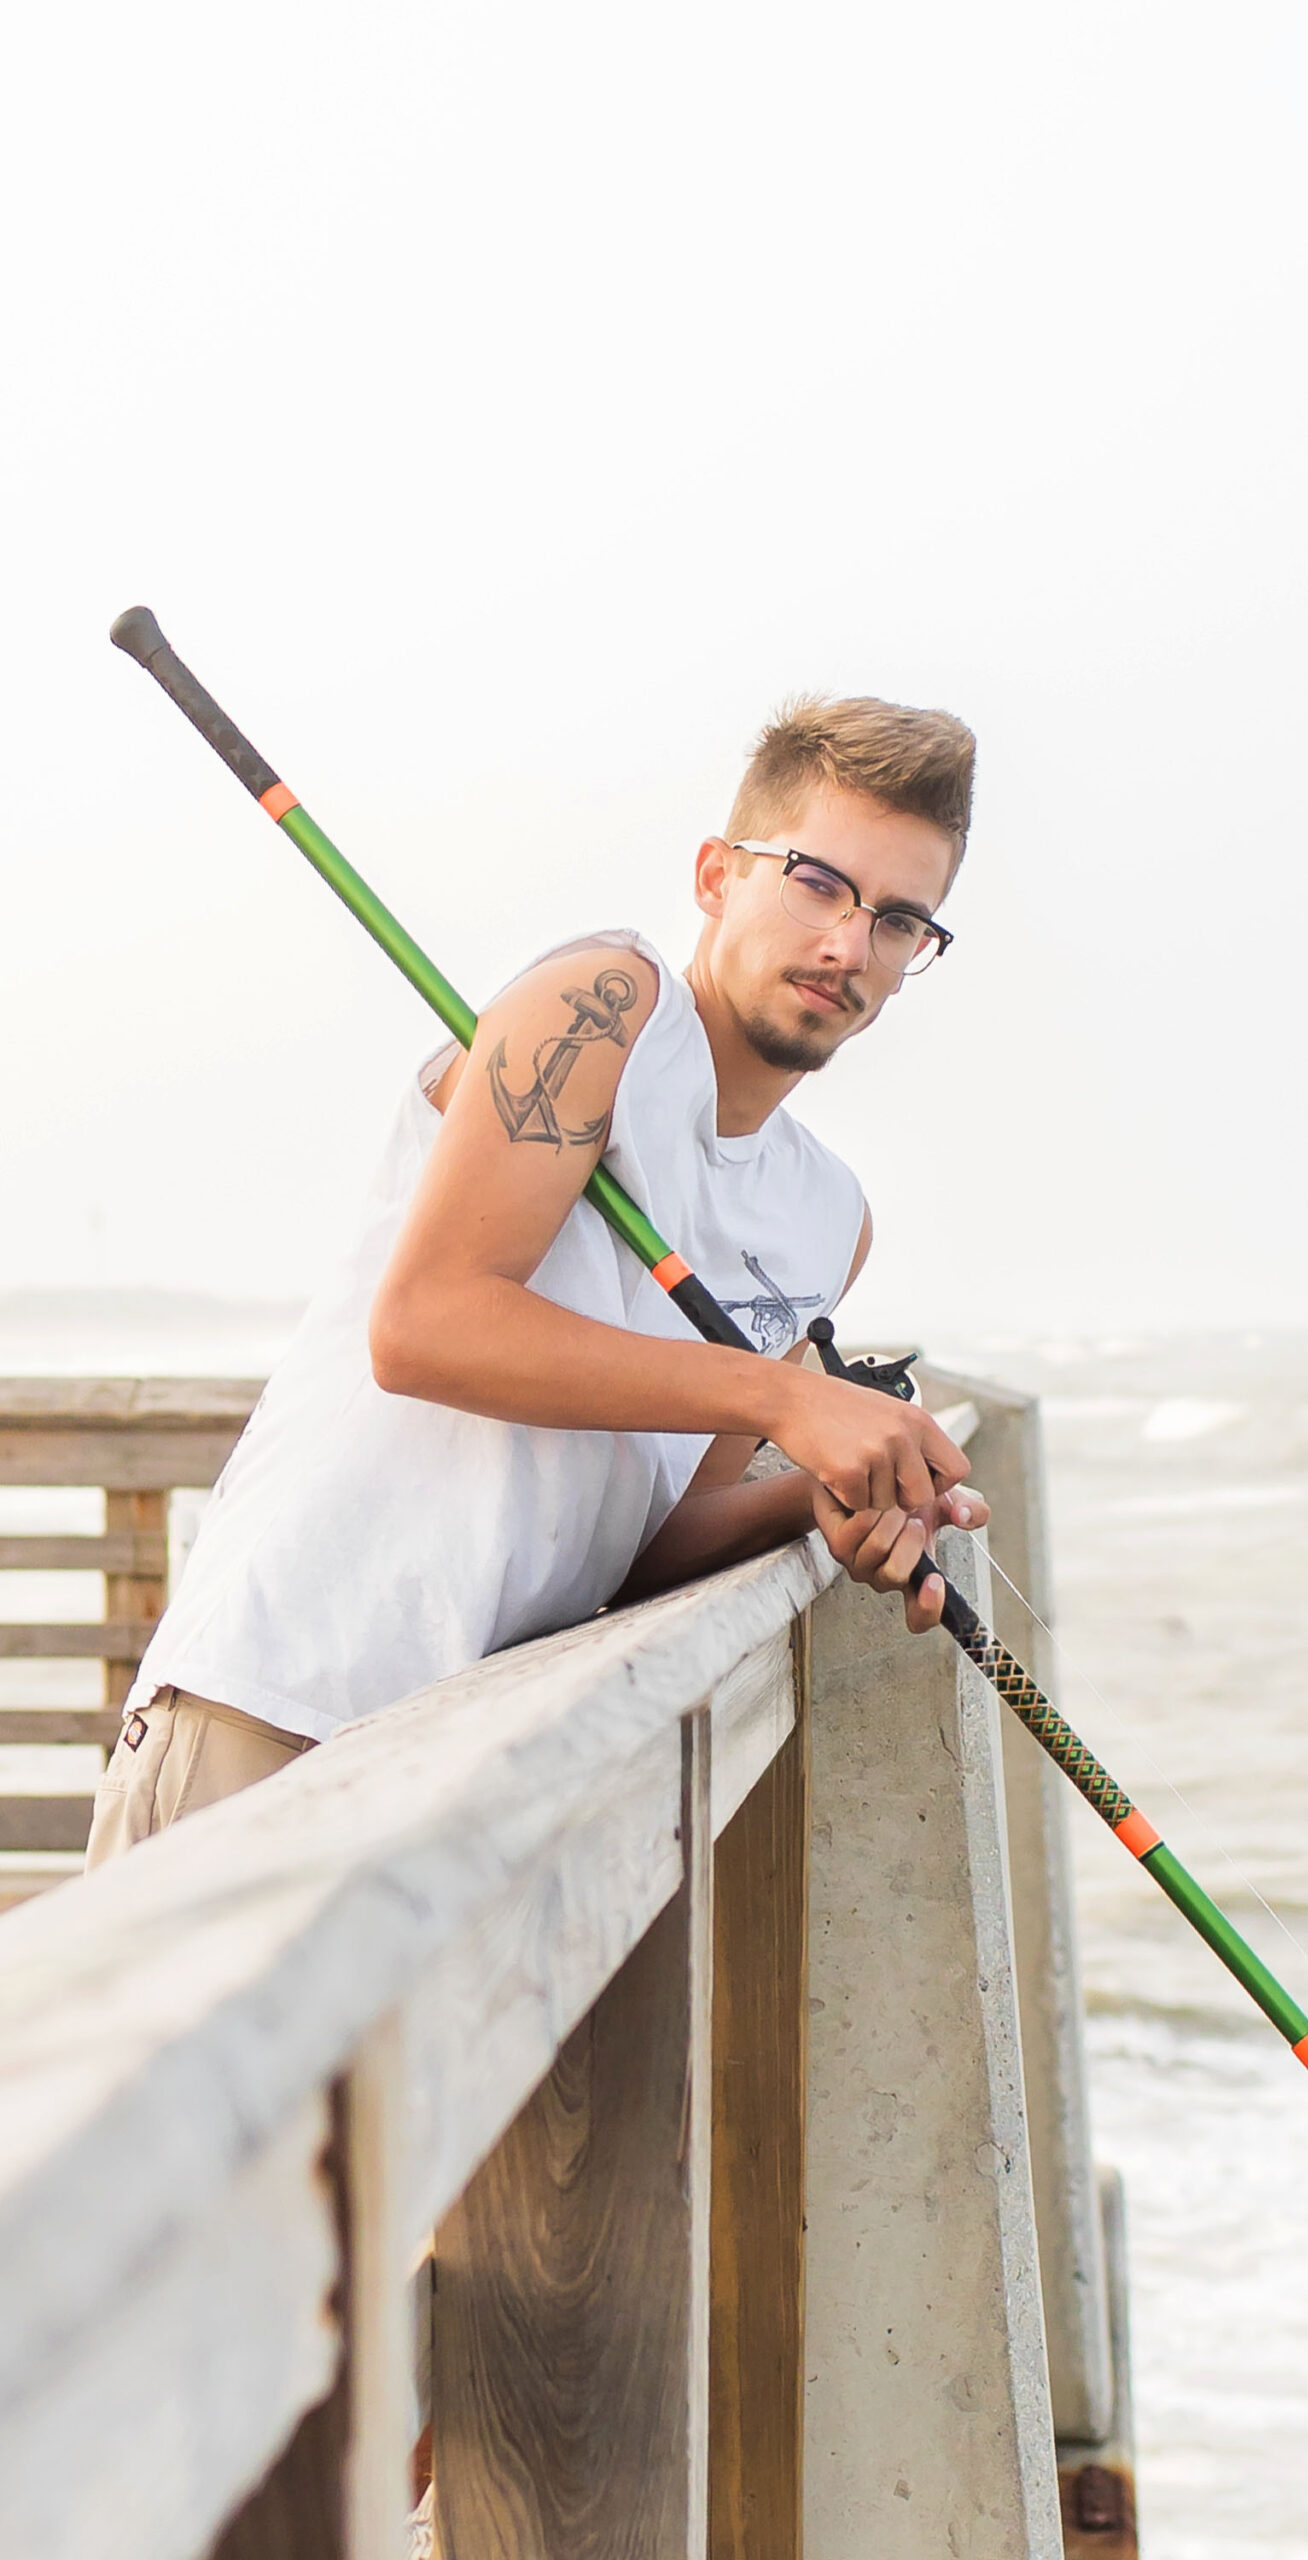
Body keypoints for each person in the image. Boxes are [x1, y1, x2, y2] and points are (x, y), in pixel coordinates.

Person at [86, 694, 985, 1867]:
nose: (848, 945)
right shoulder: (603, 1009)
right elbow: (425, 1327)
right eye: (816, 881)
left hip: (479, 1782)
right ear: (718, 875)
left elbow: (647, 1538)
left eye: (900, 919)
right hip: (276, 1715)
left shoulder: (827, 1217)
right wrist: (781, 1399)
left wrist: (818, 1499)